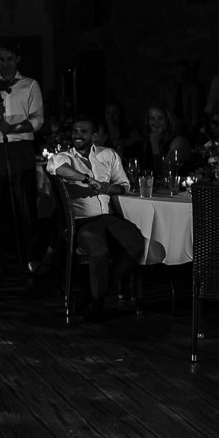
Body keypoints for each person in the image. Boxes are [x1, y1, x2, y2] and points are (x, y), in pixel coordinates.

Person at [46, 118, 145, 321]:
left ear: (94, 136)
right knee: (99, 251)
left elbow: (124, 185)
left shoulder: (107, 154)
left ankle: (101, 288)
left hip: (108, 217)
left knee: (136, 244)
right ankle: (97, 301)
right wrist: (87, 179)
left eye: (83, 131)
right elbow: (55, 168)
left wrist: (106, 187)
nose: (77, 135)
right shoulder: (63, 157)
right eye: (75, 131)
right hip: (82, 221)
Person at [0, 44, 44, 281]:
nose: (6, 64)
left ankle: (30, 257)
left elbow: (37, 119)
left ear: (18, 59)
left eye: (10, 59)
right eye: (1, 59)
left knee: (25, 205)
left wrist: (14, 127)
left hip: (20, 148)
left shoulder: (30, 85)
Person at [140, 106, 192, 180]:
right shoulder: (149, 138)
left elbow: (165, 174)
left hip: (176, 188)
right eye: (152, 118)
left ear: (168, 120)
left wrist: (155, 146)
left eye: (160, 118)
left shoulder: (179, 141)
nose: (155, 123)